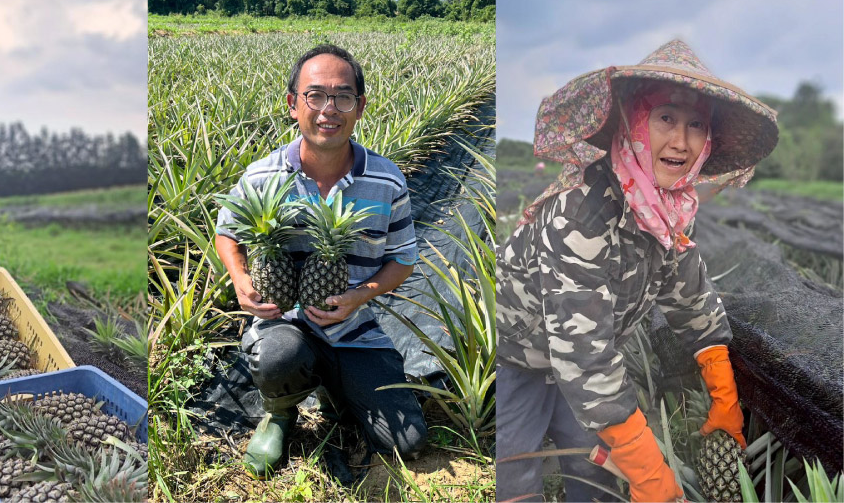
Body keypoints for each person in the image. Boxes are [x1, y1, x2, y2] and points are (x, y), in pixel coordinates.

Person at [494, 39, 778, 502]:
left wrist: (723, 392)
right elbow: (582, 355)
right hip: (518, 355)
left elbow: (692, 298)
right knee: (514, 472)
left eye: (696, 125)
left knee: (593, 472)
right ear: (633, 120)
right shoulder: (581, 214)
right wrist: (650, 472)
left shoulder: (668, 210)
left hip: (585, 363)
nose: (681, 142)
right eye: (665, 117)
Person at [214, 44, 426, 478]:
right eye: (315, 96)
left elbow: (403, 258)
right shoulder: (262, 175)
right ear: (293, 104)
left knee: (407, 443)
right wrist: (240, 280)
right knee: (278, 355)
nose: (329, 109)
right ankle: (280, 412)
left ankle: (334, 388)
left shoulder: (387, 179)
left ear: (359, 106)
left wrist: (358, 297)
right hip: (282, 324)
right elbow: (228, 231)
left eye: (342, 96)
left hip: (354, 327)